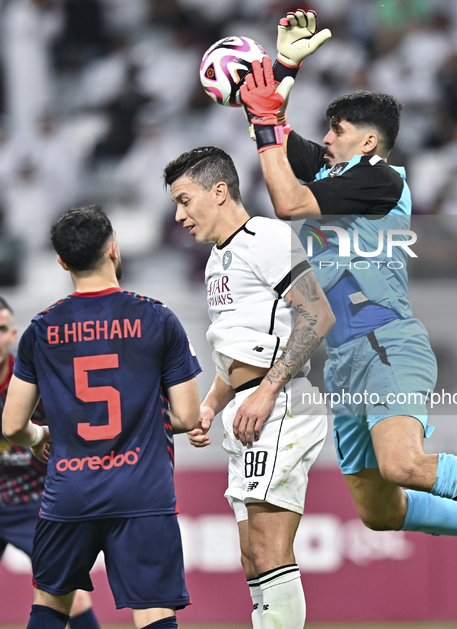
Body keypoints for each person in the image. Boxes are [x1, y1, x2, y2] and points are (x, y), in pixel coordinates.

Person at [237, 15, 457, 594]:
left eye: (337, 129)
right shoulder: (336, 171)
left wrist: (269, 118)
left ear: (367, 140)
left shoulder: (378, 178)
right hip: (345, 359)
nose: (326, 138)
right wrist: (284, 71)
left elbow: (288, 200)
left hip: (386, 342)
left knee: (403, 463)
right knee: (379, 509)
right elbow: (268, 128)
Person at [2, 205, 201, 629]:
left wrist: (40, 439)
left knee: (52, 603)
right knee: (153, 609)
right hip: (142, 492)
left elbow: (11, 426)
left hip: (69, 490)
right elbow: (185, 416)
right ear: (113, 249)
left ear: (61, 261)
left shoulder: (41, 329)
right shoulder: (157, 318)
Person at [163, 146, 334, 629]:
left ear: (219, 191)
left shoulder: (266, 237)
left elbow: (317, 315)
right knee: (251, 556)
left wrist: (267, 391)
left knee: (267, 547)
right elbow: (239, 351)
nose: (179, 215)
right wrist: (212, 405)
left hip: (277, 405)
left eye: (184, 199)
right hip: (247, 410)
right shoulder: (218, 259)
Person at [0, 297, 102, 629]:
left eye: (1, 329)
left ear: (13, 333)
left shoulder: (33, 382)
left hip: (35, 504)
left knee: (67, 595)